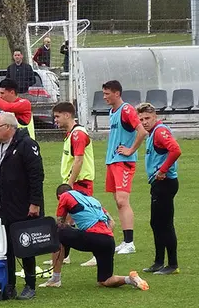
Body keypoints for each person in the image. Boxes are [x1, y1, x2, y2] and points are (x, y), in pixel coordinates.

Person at [0, 112, 44, 300]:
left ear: (8, 127)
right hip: (1, 205)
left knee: (25, 245)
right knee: (6, 247)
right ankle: (9, 284)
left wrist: (35, 202)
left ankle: (30, 284)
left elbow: (37, 175)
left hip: (22, 205)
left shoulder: (26, 145)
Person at [42, 184, 149, 291]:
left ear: (59, 196)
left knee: (57, 231)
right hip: (108, 240)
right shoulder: (93, 200)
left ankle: (55, 279)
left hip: (93, 237)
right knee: (105, 280)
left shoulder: (65, 196)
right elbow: (112, 223)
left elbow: (60, 224)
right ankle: (130, 279)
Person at [102, 80, 148, 255]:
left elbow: (142, 131)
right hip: (113, 161)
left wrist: (130, 150)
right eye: (104, 94)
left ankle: (130, 243)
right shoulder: (112, 112)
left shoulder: (126, 109)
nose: (104, 97)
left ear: (117, 93)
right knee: (118, 202)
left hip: (123, 162)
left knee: (122, 201)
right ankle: (126, 241)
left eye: (107, 94)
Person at [50, 102, 96, 267]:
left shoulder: (77, 134)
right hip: (75, 183)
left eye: (57, 116)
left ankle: (97, 253)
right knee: (66, 221)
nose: (55, 120)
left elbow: (78, 160)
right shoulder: (71, 134)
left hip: (79, 183)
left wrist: (69, 185)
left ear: (67, 115)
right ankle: (64, 256)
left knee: (85, 219)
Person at [137, 103, 181, 275]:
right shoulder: (152, 133)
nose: (144, 122)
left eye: (147, 118)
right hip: (159, 184)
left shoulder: (160, 131)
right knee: (156, 223)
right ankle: (158, 261)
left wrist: (163, 170)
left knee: (165, 224)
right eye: (141, 119)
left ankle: (172, 264)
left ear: (155, 116)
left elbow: (175, 150)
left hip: (165, 183)